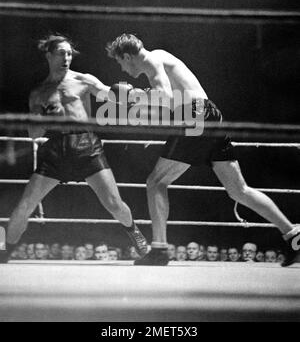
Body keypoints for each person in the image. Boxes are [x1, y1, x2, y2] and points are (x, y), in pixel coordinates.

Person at [106, 33, 300, 266]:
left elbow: (166, 99)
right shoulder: (160, 58)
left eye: (120, 63)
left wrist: (136, 96)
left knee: (155, 182)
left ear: (127, 56)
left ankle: (159, 249)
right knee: (239, 190)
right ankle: (293, 235)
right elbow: (170, 105)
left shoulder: (151, 61)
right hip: (209, 114)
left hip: (196, 116)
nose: (123, 70)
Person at [0, 34, 148, 263]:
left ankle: (138, 238)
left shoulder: (83, 80)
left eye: (69, 53)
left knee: (114, 204)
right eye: (61, 53)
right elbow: (34, 135)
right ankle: (6, 251)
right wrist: (44, 116)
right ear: (49, 55)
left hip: (86, 146)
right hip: (56, 150)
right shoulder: (39, 93)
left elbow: (110, 95)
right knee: (25, 205)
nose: (67, 57)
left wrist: (131, 94)